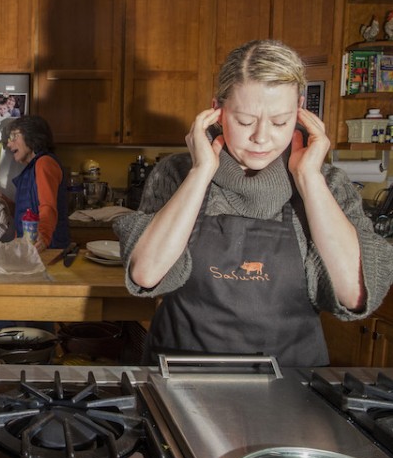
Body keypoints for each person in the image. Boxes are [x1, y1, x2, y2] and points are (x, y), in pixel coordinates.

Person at [114, 40, 393, 367]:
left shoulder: (329, 184)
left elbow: (354, 294)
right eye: (245, 121)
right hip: (181, 381)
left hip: (290, 390)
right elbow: (147, 274)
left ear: (301, 110)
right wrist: (201, 172)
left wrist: (309, 179)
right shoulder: (175, 174)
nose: (262, 138)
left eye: (280, 122)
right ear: (216, 110)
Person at [0, 115, 69, 252]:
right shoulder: (32, 168)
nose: (8, 144)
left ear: (32, 135)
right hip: (32, 250)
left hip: (49, 250)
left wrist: (43, 235)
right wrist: (5, 201)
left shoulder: (44, 163)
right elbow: (28, 214)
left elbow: (48, 206)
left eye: (14, 136)